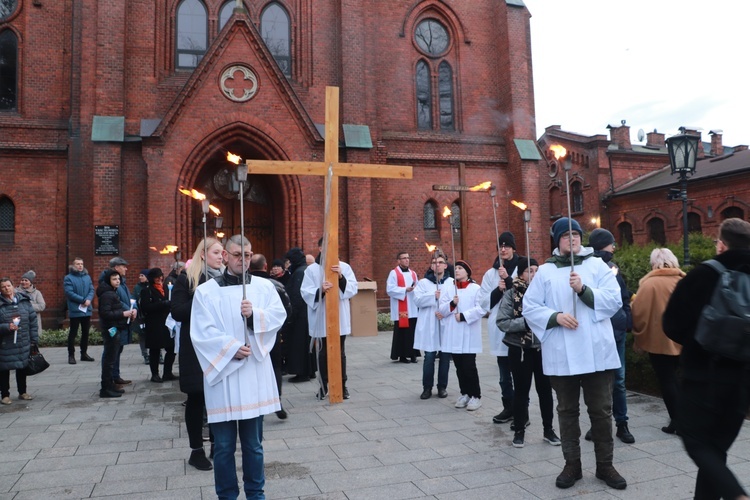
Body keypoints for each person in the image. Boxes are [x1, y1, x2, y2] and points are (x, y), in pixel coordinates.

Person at [523, 217, 626, 490]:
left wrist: (583, 290)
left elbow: (615, 299)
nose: (573, 238)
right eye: (566, 235)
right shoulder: (545, 272)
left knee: (602, 412)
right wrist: (555, 317)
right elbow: (530, 306)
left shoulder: (597, 266)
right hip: (562, 352)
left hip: (596, 352)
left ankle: (605, 465)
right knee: (567, 411)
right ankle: (572, 465)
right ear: (557, 241)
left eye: (577, 234)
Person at [190, 234, 286, 500]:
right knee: (222, 447)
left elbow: (279, 316)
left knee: (254, 445)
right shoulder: (206, 292)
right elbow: (200, 332)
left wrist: (254, 315)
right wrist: (232, 348)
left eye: (246, 255)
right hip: (223, 377)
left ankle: (256, 494)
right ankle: (227, 496)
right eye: (235, 255)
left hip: (253, 375)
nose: (242, 260)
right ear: (225, 256)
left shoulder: (264, 287)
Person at [663, 218, 750, 500]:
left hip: (703, 376)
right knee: (717, 450)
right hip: (743, 381)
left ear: (722, 244)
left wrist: (697, 341)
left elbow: (672, 325)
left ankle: (737, 495)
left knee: (696, 441)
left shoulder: (705, 273)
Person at [171, 238, 224, 471]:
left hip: (217, 346)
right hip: (194, 349)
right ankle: (196, 451)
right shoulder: (187, 279)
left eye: (222, 253)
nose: (221, 256)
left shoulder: (224, 280)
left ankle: (216, 443)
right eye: (216, 252)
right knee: (197, 398)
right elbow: (178, 312)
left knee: (217, 399)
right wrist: (200, 296)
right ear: (203, 254)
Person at [497, 258, 560, 448]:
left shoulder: (546, 294)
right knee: (521, 391)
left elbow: (553, 315)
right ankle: (519, 430)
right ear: (521, 274)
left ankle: (548, 429)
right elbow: (502, 322)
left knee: (545, 390)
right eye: (529, 271)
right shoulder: (511, 294)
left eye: (536, 270)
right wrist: (526, 322)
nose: (533, 274)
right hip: (519, 348)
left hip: (542, 347)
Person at [583, 228, 634, 444]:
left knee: (618, 381)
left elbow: (623, 296)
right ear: (604, 244)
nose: (614, 246)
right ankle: (599, 425)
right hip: (599, 333)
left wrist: (626, 320)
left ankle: (621, 424)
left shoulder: (613, 267)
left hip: (617, 331)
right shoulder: (589, 268)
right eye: (611, 243)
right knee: (599, 383)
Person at [631, 248, 684, 435]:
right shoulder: (683, 280)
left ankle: (677, 421)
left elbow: (638, 312)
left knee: (667, 379)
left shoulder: (649, 284)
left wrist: (638, 336)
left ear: (654, 263)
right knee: (678, 378)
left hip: (658, 340)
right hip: (683, 339)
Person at [301, 238, 358, 400]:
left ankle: (342, 385)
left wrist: (340, 278)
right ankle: (324, 385)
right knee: (323, 352)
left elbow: (352, 289)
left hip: (339, 316)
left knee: (340, 352)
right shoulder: (312, 270)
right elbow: (305, 292)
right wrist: (320, 290)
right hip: (321, 318)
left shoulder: (344, 267)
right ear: (320, 248)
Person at [478, 232, 520, 424]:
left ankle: (522, 411)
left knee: (519, 373)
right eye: (500, 246)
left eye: (507, 246)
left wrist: (509, 281)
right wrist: (499, 289)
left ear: (513, 248)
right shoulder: (490, 273)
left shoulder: (522, 267)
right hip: (500, 327)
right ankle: (508, 407)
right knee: (504, 375)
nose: (503, 249)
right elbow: (484, 302)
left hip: (520, 328)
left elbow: (526, 295)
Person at [438, 260, 486, 411]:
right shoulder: (450, 288)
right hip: (454, 333)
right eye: (456, 268)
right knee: (459, 366)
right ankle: (464, 393)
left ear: (467, 271)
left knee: (469, 366)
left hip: (469, 333)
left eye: (460, 268)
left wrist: (464, 315)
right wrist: (452, 303)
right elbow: (442, 309)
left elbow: (481, 308)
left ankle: (475, 395)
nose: (457, 271)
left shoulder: (475, 288)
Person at [250, 253, 292, 416]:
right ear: (265, 266)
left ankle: (254, 400)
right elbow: (287, 310)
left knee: (252, 366)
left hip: (249, 333)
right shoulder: (275, 285)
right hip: (272, 333)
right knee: (275, 366)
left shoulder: (242, 285)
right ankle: (276, 400)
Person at [414, 252, 453, 399]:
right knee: (429, 356)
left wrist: (446, 312)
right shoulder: (424, 283)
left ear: (445, 265)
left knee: (445, 357)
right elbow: (417, 300)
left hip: (445, 323)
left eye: (441, 262)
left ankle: (442, 386)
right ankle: (427, 387)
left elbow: (456, 302)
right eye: (435, 262)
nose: (438, 265)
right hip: (429, 323)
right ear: (431, 266)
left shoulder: (451, 282)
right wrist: (432, 297)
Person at [0, 277, 38, 404]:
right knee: (4, 369)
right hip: (5, 343)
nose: (6, 288)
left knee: (22, 366)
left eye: (8, 285)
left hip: (23, 340)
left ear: (13, 286)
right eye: (3, 287)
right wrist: (7, 327)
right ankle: (5, 395)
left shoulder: (24, 301)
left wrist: (34, 340)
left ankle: (23, 392)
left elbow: (33, 321)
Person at [98, 257, 135, 388]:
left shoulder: (121, 284)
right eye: (123, 266)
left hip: (120, 321)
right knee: (110, 352)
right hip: (113, 324)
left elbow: (128, 299)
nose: (126, 268)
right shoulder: (108, 290)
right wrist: (126, 312)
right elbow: (112, 306)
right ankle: (110, 380)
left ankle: (115, 376)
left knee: (117, 349)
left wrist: (133, 309)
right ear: (115, 268)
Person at [283, 247, 315, 382]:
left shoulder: (299, 273)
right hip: (307, 313)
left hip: (300, 316)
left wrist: (291, 315)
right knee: (307, 344)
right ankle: (310, 370)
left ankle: (302, 372)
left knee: (299, 344)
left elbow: (296, 295)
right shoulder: (305, 270)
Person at [140, 267, 175, 383]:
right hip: (154, 323)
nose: (159, 279)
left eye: (161, 276)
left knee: (171, 348)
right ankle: (154, 374)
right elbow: (145, 307)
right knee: (155, 349)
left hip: (166, 323)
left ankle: (167, 372)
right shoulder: (147, 290)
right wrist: (162, 304)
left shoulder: (166, 288)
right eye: (156, 277)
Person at [388, 251, 420, 363]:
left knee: (412, 331)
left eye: (408, 257)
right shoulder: (393, 273)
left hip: (412, 306)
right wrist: (404, 290)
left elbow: (418, 286)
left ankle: (413, 354)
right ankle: (402, 355)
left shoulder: (413, 273)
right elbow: (390, 289)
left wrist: (415, 289)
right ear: (398, 261)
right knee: (403, 332)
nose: (407, 260)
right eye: (404, 258)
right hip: (401, 308)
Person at [63, 257, 95, 364]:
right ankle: (71, 355)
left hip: (86, 309)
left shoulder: (87, 277)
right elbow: (69, 292)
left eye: (81, 264)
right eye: (78, 264)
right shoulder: (68, 278)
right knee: (73, 332)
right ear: (73, 265)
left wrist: (89, 299)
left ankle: (84, 354)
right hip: (75, 309)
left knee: (85, 332)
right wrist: (82, 300)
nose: (80, 266)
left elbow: (91, 289)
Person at [132, 269, 150, 365]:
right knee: (142, 335)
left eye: (142, 275)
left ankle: (158, 355)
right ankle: (145, 355)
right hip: (141, 315)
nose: (140, 277)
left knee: (154, 335)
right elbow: (133, 299)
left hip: (150, 315)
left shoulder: (152, 286)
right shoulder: (137, 287)